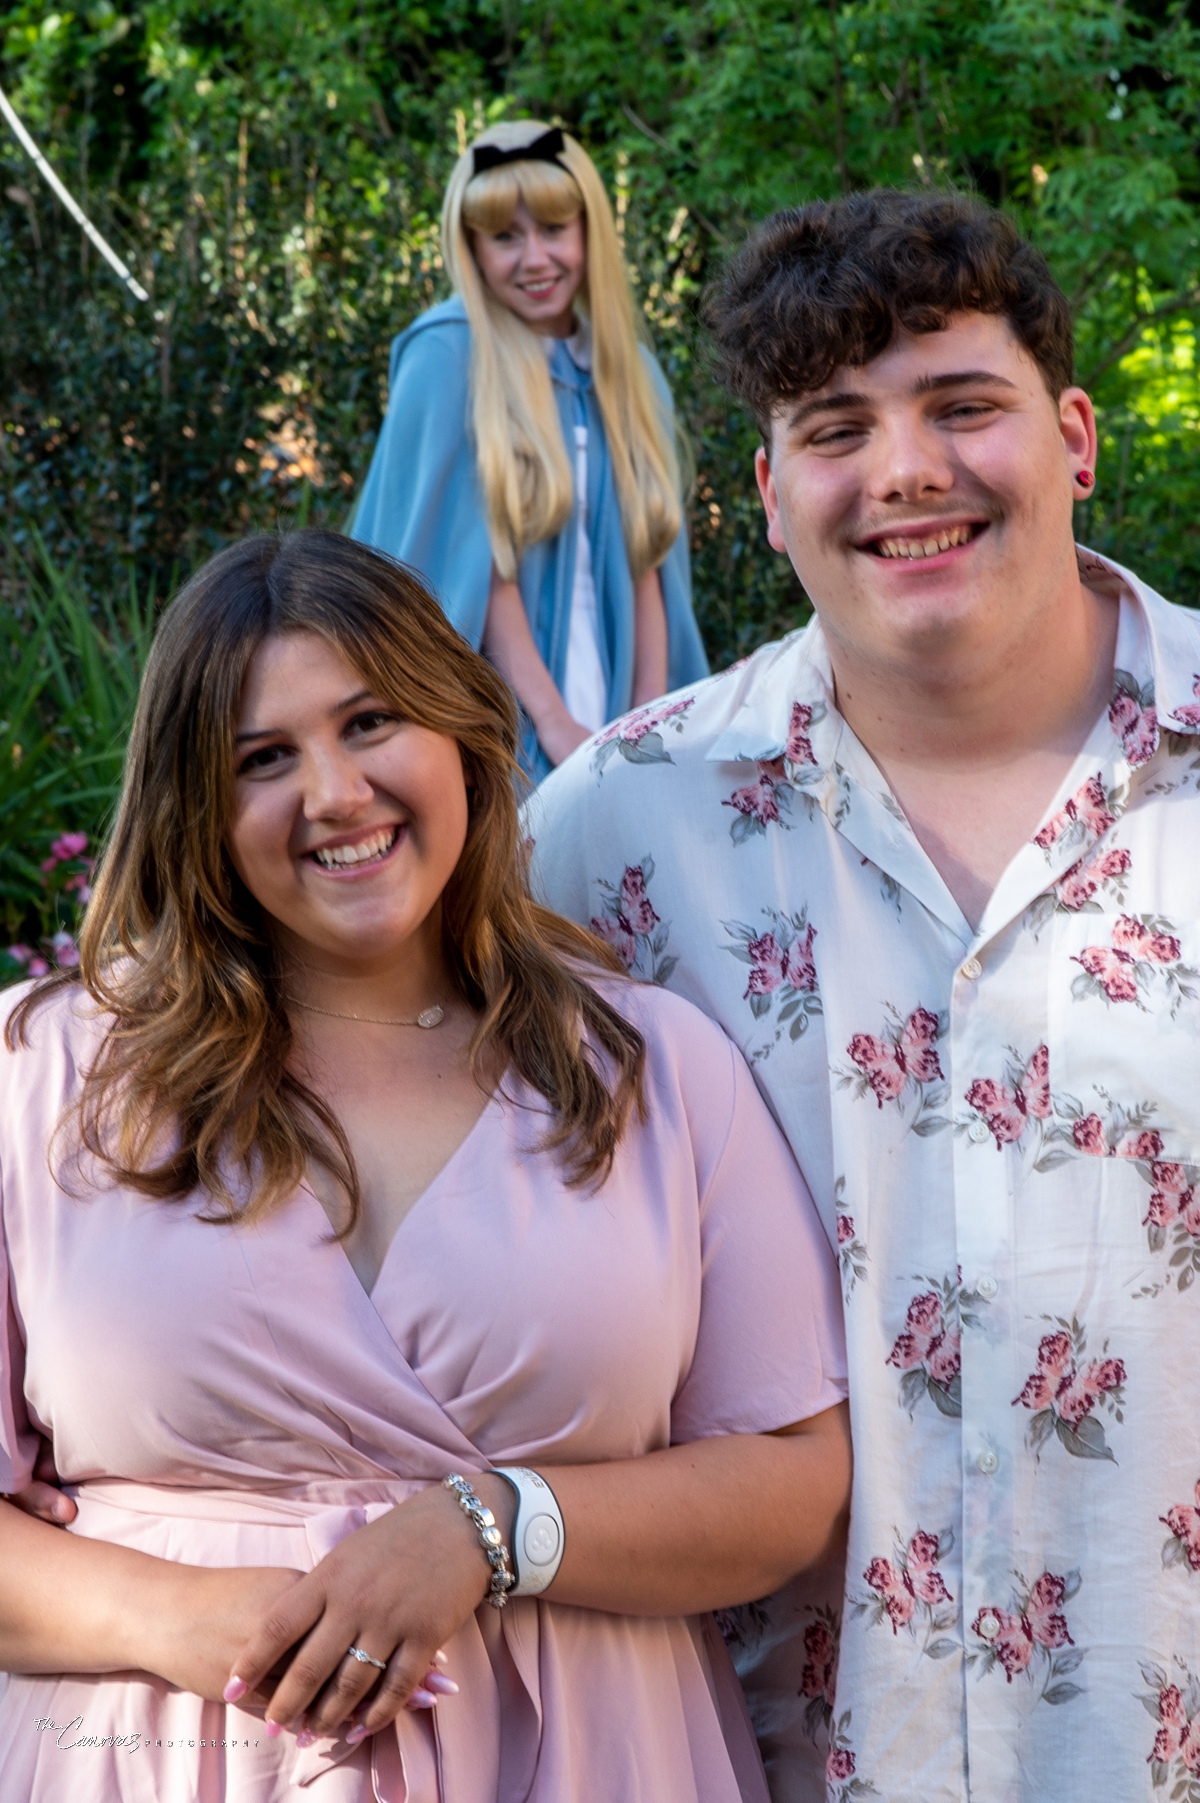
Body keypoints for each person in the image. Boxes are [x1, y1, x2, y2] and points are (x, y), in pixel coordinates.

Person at [527, 187, 1200, 1803]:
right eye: (838, 427)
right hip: (766, 1749)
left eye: (963, 404)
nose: (905, 468)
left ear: (1077, 436)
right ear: (767, 494)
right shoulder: (614, 830)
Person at [0, 528, 848, 1803]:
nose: (334, 794)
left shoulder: (659, 1071)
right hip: (156, 1761)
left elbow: (793, 1486)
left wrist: (497, 1528)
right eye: (262, 759)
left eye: (371, 723)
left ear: (458, 731)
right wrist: (174, 1620)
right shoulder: (49, 1079)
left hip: (586, 1761)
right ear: (195, 808)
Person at [350, 119, 708, 778]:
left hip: (616, 703)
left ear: (589, 231)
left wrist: (651, 721)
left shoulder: (628, 371)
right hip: (498, 717)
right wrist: (551, 725)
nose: (535, 259)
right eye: (505, 238)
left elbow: (648, 556)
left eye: (553, 229)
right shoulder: (450, 356)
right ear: (472, 249)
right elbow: (475, 562)